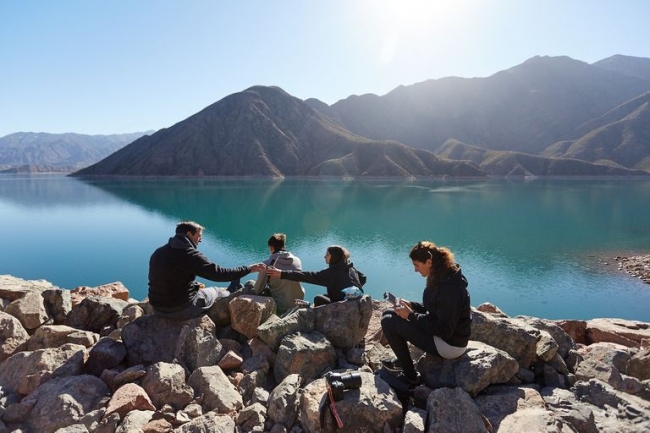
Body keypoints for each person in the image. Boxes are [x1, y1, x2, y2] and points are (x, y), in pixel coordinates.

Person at [380, 241, 471, 387]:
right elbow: (436, 308)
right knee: (389, 313)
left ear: (428, 262)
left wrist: (410, 315)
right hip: (444, 337)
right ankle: (403, 361)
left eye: (416, 265)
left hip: (450, 345)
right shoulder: (442, 276)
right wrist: (412, 305)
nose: (415, 270)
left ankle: (411, 378)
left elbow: (443, 329)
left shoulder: (449, 289)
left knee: (389, 322)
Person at [148, 221, 265, 321]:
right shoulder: (190, 254)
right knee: (216, 291)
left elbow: (166, 277)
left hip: (157, 308)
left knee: (198, 287)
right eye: (199, 236)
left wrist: (193, 285)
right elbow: (218, 273)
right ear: (189, 234)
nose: (200, 240)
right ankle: (230, 292)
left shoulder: (158, 252)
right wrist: (249, 269)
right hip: (181, 310)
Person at [267, 245, 366, 306]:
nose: (324, 257)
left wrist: (281, 273)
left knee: (318, 298)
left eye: (327, 255)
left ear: (334, 257)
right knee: (326, 296)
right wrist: (348, 290)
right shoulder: (348, 265)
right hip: (356, 302)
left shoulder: (331, 273)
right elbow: (363, 278)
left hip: (344, 307)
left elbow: (306, 276)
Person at [252, 233, 305, 314]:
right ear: (283, 246)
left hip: (281, 307)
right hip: (297, 303)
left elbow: (257, 290)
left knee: (253, 286)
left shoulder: (267, 264)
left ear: (271, 248)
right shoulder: (297, 260)